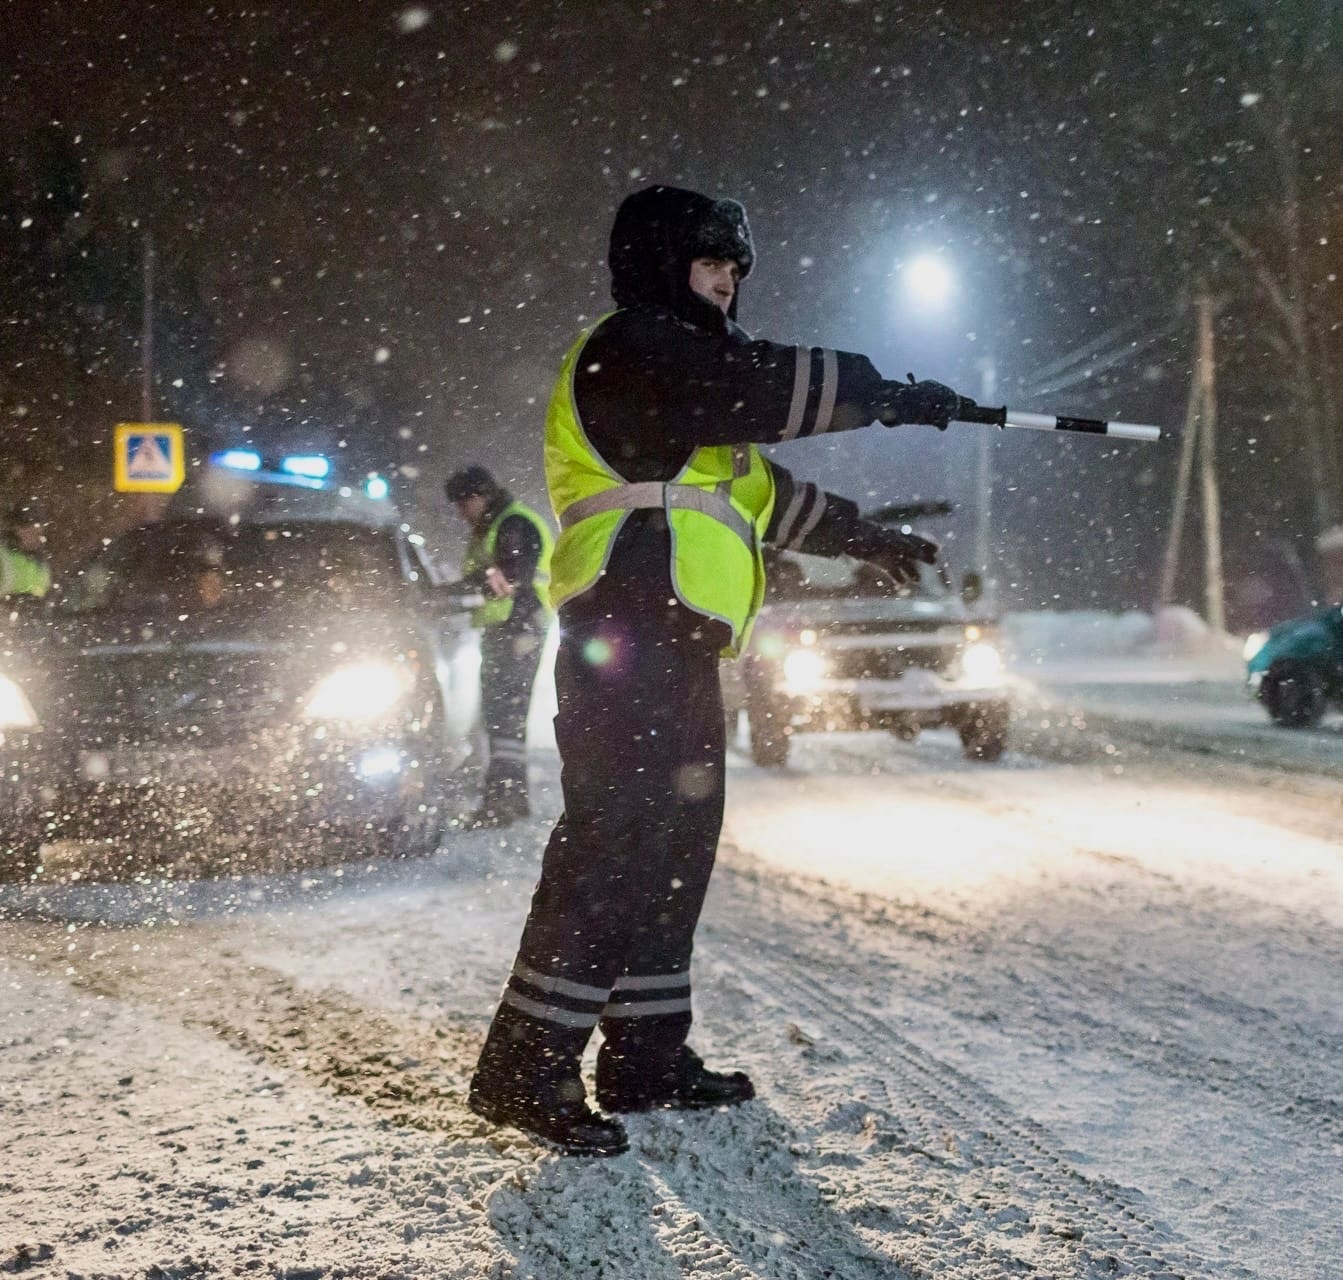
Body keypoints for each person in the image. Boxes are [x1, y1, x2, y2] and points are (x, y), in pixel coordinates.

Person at [467, 184, 978, 1156]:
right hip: (620, 630)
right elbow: (756, 384)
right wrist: (886, 393)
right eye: (712, 265)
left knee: (673, 847)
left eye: (735, 270)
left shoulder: (693, 402)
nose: (727, 284)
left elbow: (766, 489)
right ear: (663, 264)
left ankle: (645, 1057)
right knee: (612, 842)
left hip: (680, 644)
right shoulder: (631, 349)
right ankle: (523, 1063)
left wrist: (863, 534)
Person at [443, 465, 554, 828]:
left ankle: (502, 803)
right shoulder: (497, 525)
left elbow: (506, 578)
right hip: (511, 630)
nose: (461, 514)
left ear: (480, 496)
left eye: (463, 504)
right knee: (504, 719)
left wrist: (443, 595)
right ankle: (510, 799)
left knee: (504, 717)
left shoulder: (512, 524)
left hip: (518, 630)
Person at [0, 497, 52, 600]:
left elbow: (46, 596)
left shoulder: (41, 563)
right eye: (32, 532)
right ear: (17, 529)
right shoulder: (2, 556)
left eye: (39, 533)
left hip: (36, 615)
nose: (37, 537)